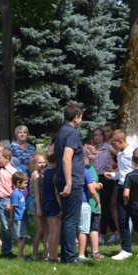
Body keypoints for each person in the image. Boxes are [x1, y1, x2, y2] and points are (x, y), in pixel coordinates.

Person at [53, 103, 90, 265]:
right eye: (81, 117)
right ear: (76, 118)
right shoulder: (72, 133)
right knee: (71, 219)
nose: (81, 119)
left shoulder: (61, 131)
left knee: (67, 218)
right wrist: (69, 183)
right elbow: (66, 158)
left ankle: (66, 255)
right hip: (71, 179)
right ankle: (70, 257)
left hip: (62, 177)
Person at [104, 130, 135, 261]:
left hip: (133, 189)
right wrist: (112, 175)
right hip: (122, 187)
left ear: (121, 141)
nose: (112, 147)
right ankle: (126, 249)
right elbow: (122, 173)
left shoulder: (133, 153)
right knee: (123, 219)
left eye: (113, 144)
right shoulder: (121, 154)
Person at [91, 127, 117, 244]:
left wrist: (114, 169)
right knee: (100, 206)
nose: (97, 137)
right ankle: (115, 232)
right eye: (95, 135)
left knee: (104, 206)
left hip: (106, 177)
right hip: (95, 178)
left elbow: (119, 155)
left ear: (103, 136)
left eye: (99, 135)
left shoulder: (108, 147)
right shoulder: (92, 149)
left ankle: (101, 234)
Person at [78, 146, 103, 261]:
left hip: (79, 203)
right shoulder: (89, 169)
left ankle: (83, 251)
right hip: (91, 203)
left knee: (82, 228)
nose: (91, 159)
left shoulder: (74, 169)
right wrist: (100, 185)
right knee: (93, 228)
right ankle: (94, 252)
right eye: (89, 157)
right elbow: (92, 187)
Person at [41, 146, 61, 262]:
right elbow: (57, 193)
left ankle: (48, 254)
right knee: (56, 231)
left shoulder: (46, 172)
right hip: (54, 203)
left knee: (51, 230)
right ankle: (53, 255)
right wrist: (62, 208)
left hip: (46, 203)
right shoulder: (55, 174)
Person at [28, 152, 48, 260]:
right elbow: (36, 192)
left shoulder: (42, 174)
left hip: (42, 203)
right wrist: (39, 208)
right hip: (36, 204)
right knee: (40, 229)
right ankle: (34, 253)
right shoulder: (35, 175)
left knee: (46, 229)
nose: (42, 164)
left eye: (43, 162)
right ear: (34, 164)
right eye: (39, 162)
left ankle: (46, 252)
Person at [10, 171, 30, 259]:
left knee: (23, 236)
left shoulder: (20, 192)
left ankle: (20, 255)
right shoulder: (15, 193)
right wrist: (11, 218)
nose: (26, 185)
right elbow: (13, 208)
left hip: (23, 218)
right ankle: (20, 255)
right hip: (18, 219)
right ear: (18, 182)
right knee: (22, 237)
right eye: (25, 183)